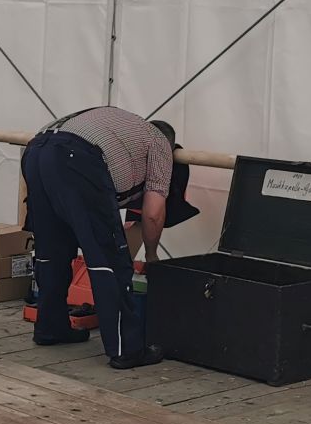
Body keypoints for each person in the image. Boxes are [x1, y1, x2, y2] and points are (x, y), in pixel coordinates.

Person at [20, 106, 198, 369]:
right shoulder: (160, 143)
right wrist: (151, 255)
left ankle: (50, 327)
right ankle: (127, 350)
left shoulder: (125, 125)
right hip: (77, 159)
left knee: (52, 253)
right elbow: (153, 213)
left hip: (37, 150)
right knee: (110, 261)